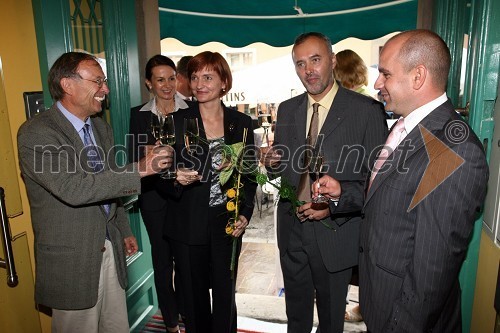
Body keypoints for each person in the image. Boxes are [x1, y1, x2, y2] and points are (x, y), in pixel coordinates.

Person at [314, 29, 489, 332]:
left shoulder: (452, 149)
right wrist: (344, 192)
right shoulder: (408, 126)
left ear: (418, 76)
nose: (377, 83)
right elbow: (388, 197)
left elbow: (430, 274)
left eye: (385, 74)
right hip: (381, 302)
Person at [17, 51, 173, 332]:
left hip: (111, 250)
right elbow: (74, 188)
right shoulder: (37, 133)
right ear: (67, 84)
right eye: (98, 81)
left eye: (105, 81)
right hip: (72, 260)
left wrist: (123, 229)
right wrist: (140, 168)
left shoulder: (100, 128)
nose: (106, 89)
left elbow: (109, 183)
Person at [261, 32, 387, 332]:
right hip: (291, 229)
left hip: (335, 233)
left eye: (315, 60)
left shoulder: (366, 111)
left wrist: (335, 204)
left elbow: (378, 184)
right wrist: (272, 166)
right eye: (300, 63)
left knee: (331, 321)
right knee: (296, 317)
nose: (308, 70)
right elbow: (283, 175)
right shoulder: (288, 109)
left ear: (332, 61)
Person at [163, 51, 257, 333]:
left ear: (224, 82)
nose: (199, 83)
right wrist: (174, 177)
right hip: (188, 224)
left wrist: (246, 213)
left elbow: (249, 174)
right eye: (194, 77)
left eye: (208, 77)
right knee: (194, 299)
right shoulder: (176, 121)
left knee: (226, 297)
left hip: (226, 222)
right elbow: (158, 175)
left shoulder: (240, 123)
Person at [128, 54, 189, 333]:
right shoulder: (138, 115)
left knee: (187, 260)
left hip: (186, 196)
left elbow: (197, 154)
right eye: (160, 79)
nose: (167, 85)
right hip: (154, 198)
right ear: (148, 83)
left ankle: (190, 313)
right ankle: (171, 321)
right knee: (163, 261)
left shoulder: (191, 109)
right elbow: (134, 159)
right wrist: (148, 157)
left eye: (172, 78)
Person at [334, 48, 374, 323]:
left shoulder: (358, 104)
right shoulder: (367, 99)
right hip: (353, 189)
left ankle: (358, 307)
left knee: (352, 258)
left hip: (351, 190)